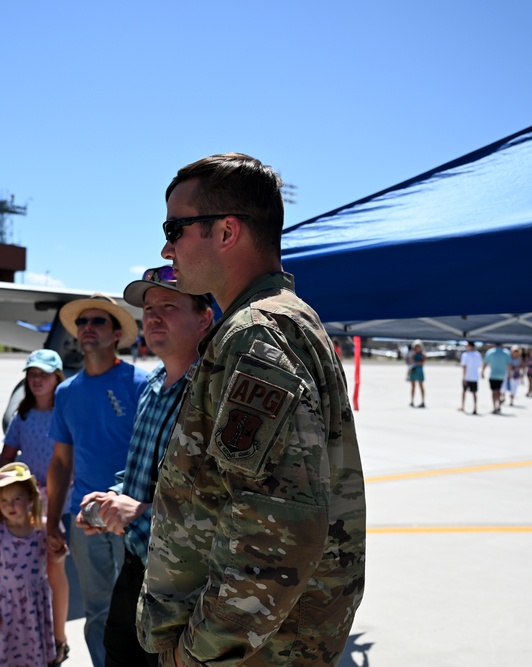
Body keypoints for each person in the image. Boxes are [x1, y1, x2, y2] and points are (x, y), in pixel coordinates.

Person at [139, 153, 366, 666]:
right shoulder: (279, 322)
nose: (166, 246)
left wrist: (196, 655)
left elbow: (276, 531)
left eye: (175, 228)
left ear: (226, 232)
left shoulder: (254, 333)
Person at [76, 266, 213, 667]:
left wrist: (137, 515)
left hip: (184, 586)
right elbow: (137, 475)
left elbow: (221, 506)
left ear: (204, 318)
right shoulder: (152, 387)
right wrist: (112, 499)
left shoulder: (212, 395)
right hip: (136, 569)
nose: (152, 316)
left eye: (168, 306)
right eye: (148, 307)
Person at [46, 294, 149, 667]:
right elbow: (60, 462)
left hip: (130, 517)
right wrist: (51, 521)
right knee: (96, 610)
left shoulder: (141, 384)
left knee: (138, 610)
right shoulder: (66, 392)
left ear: (116, 333)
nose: (88, 327)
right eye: (83, 322)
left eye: (98, 321)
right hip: (84, 518)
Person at [0, 349, 70, 662]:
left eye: (43, 373)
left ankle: (58, 637)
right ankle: (32, 635)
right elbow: (5, 460)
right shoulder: (22, 416)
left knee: (54, 570)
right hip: (28, 507)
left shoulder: (66, 413)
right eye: (31, 374)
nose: (37, 379)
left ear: (57, 377)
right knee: (28, 574)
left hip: (60, 504)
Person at [0, 463, 60, 667]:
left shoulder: (42, 529)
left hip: (35, 604)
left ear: (30, 499)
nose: (10, 505)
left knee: (33, 653)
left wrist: (59, 549)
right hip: (5, 605)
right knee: (5, 654)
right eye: (4, 500)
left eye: (17, 499)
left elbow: (57, 559)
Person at [482, 342, 511, 414]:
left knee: (494, 392)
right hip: (502, 375)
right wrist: (509, 374)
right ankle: (498, 405)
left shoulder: (490, 352)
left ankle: (495, 406)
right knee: (498, 391)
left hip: (493, 375)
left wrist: (482, 372)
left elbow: (485, 363)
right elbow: (509, 365)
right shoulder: (506, 353)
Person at [459, 341, 483, 415]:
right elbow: (480, 364)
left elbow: (464, 366)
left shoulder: (465, 355)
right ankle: (474, 408)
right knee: (474, 393)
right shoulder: (477, 354)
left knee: (465, 391)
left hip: (468, 376)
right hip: (474, 376)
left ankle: (463, 406)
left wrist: (464, 377)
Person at [407, 339, 426, 408]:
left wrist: (415, 362)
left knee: (421, 386)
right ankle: (412, 401)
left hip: (419, 371)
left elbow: (422, 362)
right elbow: (410, 361)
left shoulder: (423, 354)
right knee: (413, 386)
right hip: (413, 370)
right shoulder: (412, 353)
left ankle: (423, 401)